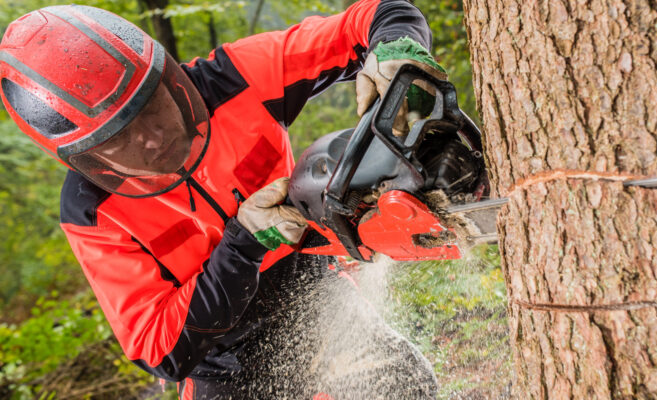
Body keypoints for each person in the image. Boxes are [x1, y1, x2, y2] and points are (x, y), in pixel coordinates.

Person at [0, 1, 447, 398]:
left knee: (409, 387)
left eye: (151, 107)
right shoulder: (92, 210)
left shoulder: (232, 79)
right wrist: (244, 243)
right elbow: (160, 349)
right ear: (89, 156)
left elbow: (375, 16)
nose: (153, 139)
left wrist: (396, 51)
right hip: (223, 358)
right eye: (123, 138)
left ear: (166, 78)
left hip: (314, 286)